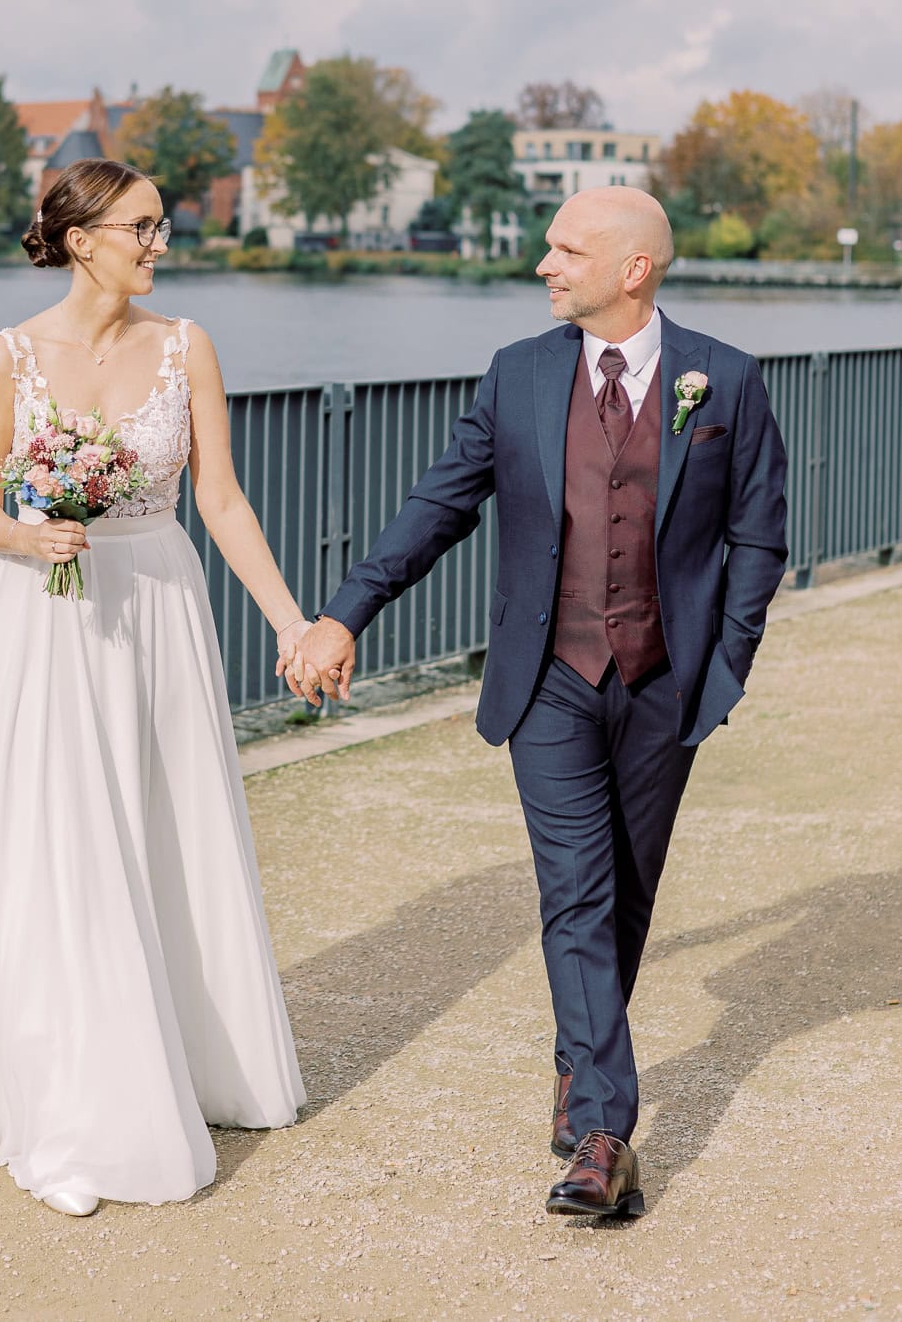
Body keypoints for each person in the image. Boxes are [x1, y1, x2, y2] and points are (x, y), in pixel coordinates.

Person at [284, 186, 787, 1219]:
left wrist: (724, 663)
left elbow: (759, 535)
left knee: (630, 890)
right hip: (550, 675)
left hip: (668, 681)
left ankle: (578, 1054)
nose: (544, 265)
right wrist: (346, 614)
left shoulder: (723, 380)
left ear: (633, 269)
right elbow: (441, 502)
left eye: (567, 250)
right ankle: (606, 1132)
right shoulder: (518, 374)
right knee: (577, 893)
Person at [0, 159, 309, 1216]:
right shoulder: (3, 359)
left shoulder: (187, 348)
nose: (160, 245)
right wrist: (28, 530)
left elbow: (224, 502)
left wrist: (290, 623)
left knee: (163, 823)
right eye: (142, 228)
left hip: (158, 601)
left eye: (161, 226)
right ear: (78, 235)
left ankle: (193, 1062)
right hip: (44, 611)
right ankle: (73, 1102)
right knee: (60, 839)